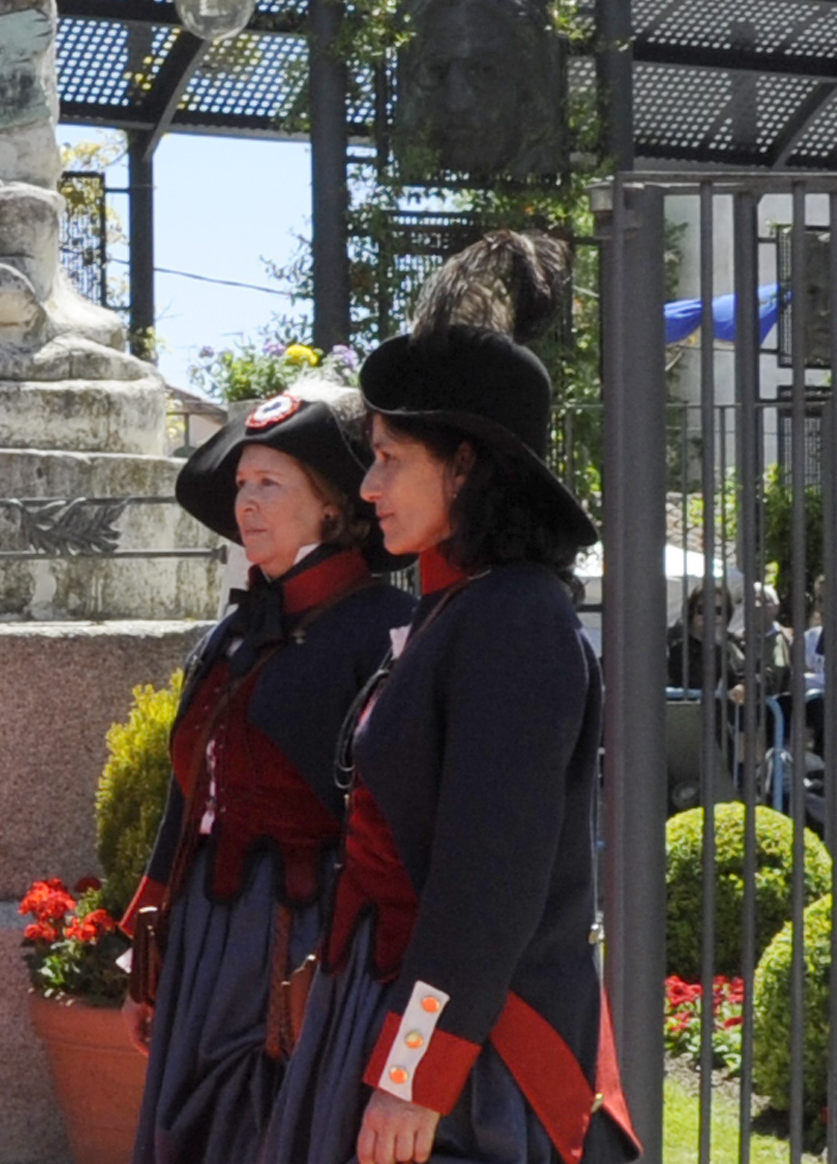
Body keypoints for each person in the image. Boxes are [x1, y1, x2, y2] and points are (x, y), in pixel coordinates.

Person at [261, 235, 638, 1164]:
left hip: (477, 1066)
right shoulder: (458, 609)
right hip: (397, 1015)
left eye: (390, 459)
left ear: (463, 467)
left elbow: (486, 885)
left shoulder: (515, 619)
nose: (369, 486)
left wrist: (413, 1074)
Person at [120, 383, 414, 1164]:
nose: (246, 502)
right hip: (205, 935)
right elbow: (187, 805)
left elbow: (393, 821)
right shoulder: (230, 635)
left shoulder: (383, 630)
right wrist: (145, 963)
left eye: (271, 483)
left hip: (304, 941)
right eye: (242, 483)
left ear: (332, 509)